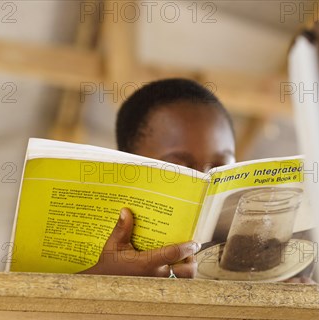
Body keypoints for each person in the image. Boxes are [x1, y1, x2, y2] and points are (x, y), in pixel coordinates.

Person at [82, 78, 236, 278]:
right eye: (179, 169)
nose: (204, 184)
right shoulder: (100, 260)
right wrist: (104, 281)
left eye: (220, 169)